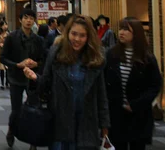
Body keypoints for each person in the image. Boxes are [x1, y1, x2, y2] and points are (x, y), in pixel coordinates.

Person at [24, 15, 110, 150]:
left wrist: (105, 125)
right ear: (67, 33)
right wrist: (36, 78)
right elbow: (46, 83)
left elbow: (101, 94)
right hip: (60, 120)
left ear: (88, 37)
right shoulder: (56, 53)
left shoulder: (95, 58)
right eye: (74, 34)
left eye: (82, 35)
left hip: (86, 121)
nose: (77, 39)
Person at [105, 17, 162, 150]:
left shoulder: (146, 57)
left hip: (138, 114)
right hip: (116, 113)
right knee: (118, 145)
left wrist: (137, 104)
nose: (121, 32)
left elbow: (155, 85)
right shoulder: (111, 54)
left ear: (136, 33)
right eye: (120, 28)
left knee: (137, 145)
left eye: (126, 29)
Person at [0, 9, 44, 148]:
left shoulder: (38, 40)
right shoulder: (12, 37)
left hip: (33, 79)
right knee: (16, 110)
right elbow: (3, 58)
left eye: (31, 18)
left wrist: (36, 64)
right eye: (26, 18)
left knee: (35, 110)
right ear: (20, 20)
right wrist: (18, 65)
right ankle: (11, 131)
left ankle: (33, 141)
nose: (29, 21)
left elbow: (45, 59)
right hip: (16, 78)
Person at [0, 21, 10, 89]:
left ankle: (7, 82)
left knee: (7, 68)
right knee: (2, 69)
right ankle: (2, 83)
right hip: (0, 52)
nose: (5, 26)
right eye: (3, 25)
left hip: (7, 53)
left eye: (6, 25)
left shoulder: (9, 34)